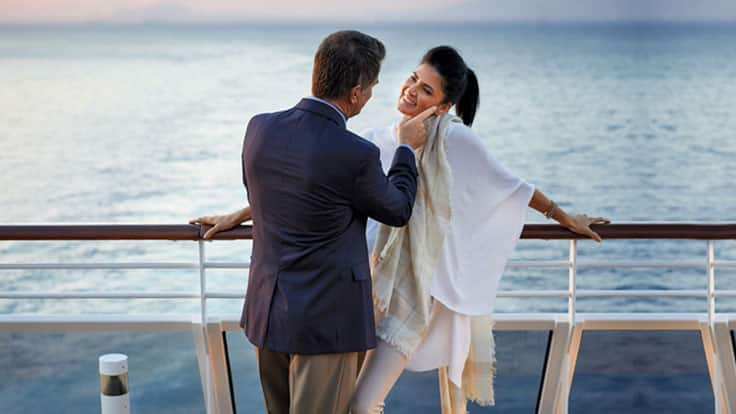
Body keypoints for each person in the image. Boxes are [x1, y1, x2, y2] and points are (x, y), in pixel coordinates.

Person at [349, 46, 610, 414]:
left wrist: (564, 217)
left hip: (414, 292)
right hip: (365, 285)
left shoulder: (456, 141)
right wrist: (243, 214)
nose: (411, 90)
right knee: (341, 396)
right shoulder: (373, 139)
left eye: (426, 89)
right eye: (413, 78)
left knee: (363, 402)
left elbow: (511, 187)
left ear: (442, 106)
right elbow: (323, 186)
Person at [190, 31, 435, 414]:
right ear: (355, 92)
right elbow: (398, 210)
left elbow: (275, 194)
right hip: (326, 326)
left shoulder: (260, 128)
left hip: (267, 314)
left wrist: (238, 213)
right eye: (371, 87)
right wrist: (406, 149)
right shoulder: (356, 154)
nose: (371, 95)